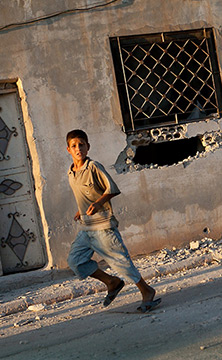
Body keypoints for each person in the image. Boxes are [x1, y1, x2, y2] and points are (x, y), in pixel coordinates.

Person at [65, 129, 161, 312]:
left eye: (82, 145)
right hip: (86, 228)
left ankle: (146, 291)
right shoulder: (71, 173)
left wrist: (98, 203)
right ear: (68, 149)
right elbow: (85, 193)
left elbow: (112, 189)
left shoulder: (94, 167)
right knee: (75, 260)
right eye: (74, 146)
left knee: (120, 262)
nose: (78, 149)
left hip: (102, 226)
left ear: (88, 147)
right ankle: (112, 282)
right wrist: (81, 209)